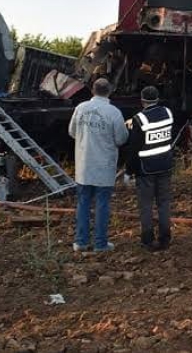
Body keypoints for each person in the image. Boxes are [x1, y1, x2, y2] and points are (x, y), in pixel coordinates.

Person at [68, 78, 128, 252]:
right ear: (109, 91)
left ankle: (81, 242)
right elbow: (121, 138)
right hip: (104, 165)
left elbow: (72, 132)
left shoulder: (80, 108)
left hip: (84, 165)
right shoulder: (114, 112)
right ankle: (100, 244)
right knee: (102, 204)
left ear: (92, 91)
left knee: (83, 203)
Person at [126, 86, 174, 251]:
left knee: (146, 205)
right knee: (164, 203)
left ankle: (147, 240)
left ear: (142, 100)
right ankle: (165, 239)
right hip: (165, 165)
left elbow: (134, 148)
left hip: (146, 169)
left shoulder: (139, 119)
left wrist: (128, 171)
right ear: (157, 98)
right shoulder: (168, 113)